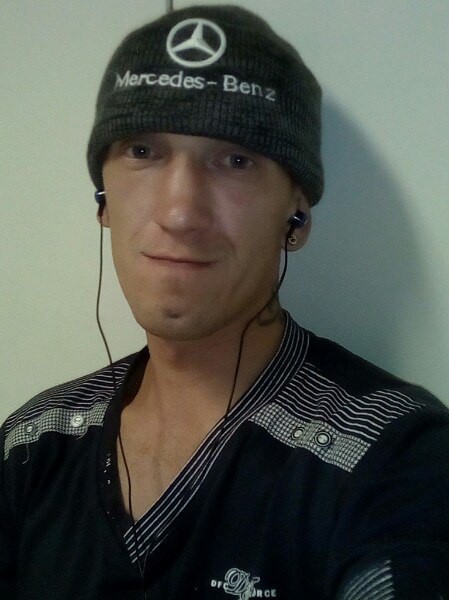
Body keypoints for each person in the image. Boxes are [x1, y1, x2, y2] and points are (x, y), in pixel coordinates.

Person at [1, 5, 448, 599]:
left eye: (236, 160)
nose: (180, 213)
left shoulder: (390, 454)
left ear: (296, 216)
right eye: (143, 152)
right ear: (103, 201)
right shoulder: (35, 442)